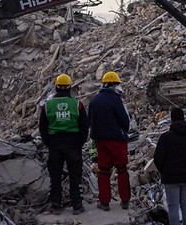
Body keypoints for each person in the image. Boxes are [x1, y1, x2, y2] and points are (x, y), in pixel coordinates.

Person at [39, 73, 89, 215]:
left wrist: (48, 142)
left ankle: (56, 205)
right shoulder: (77, 104)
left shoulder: (47, 106)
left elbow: (42, 127)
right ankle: (77, 205)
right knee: (75, 175)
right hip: (73, 143)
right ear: (69, 88)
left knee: (55, 176)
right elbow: (85, 125)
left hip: (55, 143)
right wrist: (80, 141)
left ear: (56, 88)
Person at [88, 71, 131, 211]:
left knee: (104, 170)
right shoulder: (115, 100)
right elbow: (125, 120)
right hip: (117, 140)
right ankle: (125, 200)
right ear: (113, 85)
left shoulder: (94, 100)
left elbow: (90, 121)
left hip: (101, 141)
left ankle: (104, 202)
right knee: (122, 169)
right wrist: (124, 130)